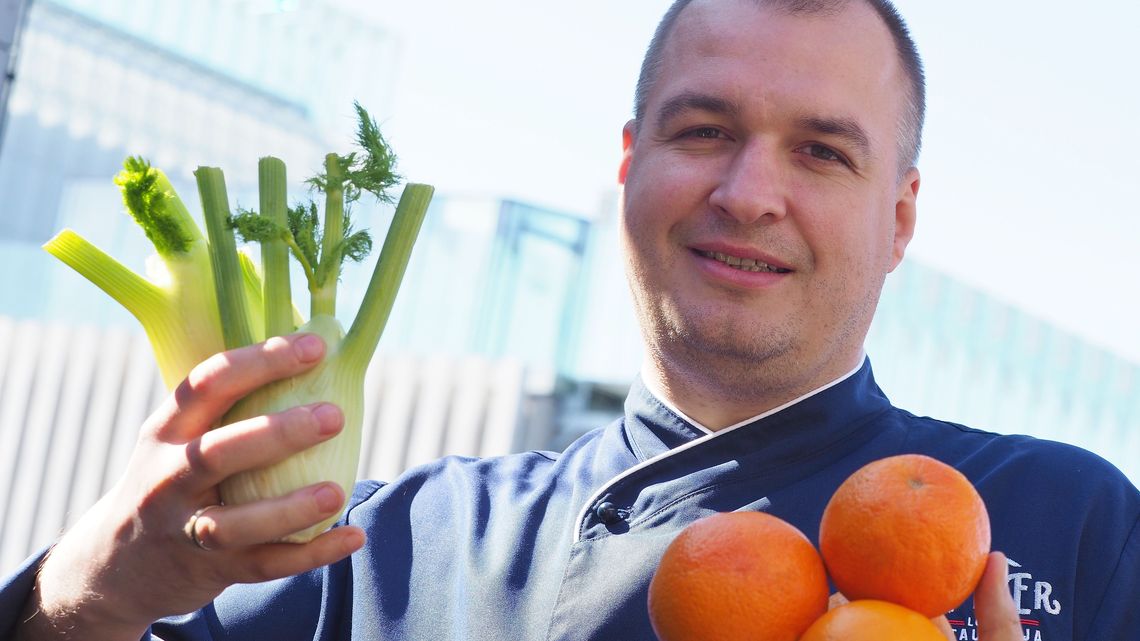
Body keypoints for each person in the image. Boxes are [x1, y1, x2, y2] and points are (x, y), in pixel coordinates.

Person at [3, 0, 1137, 639]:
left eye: (822, 151)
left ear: (900, 217)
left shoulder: (1072, 523)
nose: (748, 190)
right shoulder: (388, 549)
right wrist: (89, 587)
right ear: (630, 164)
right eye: (703, 130)